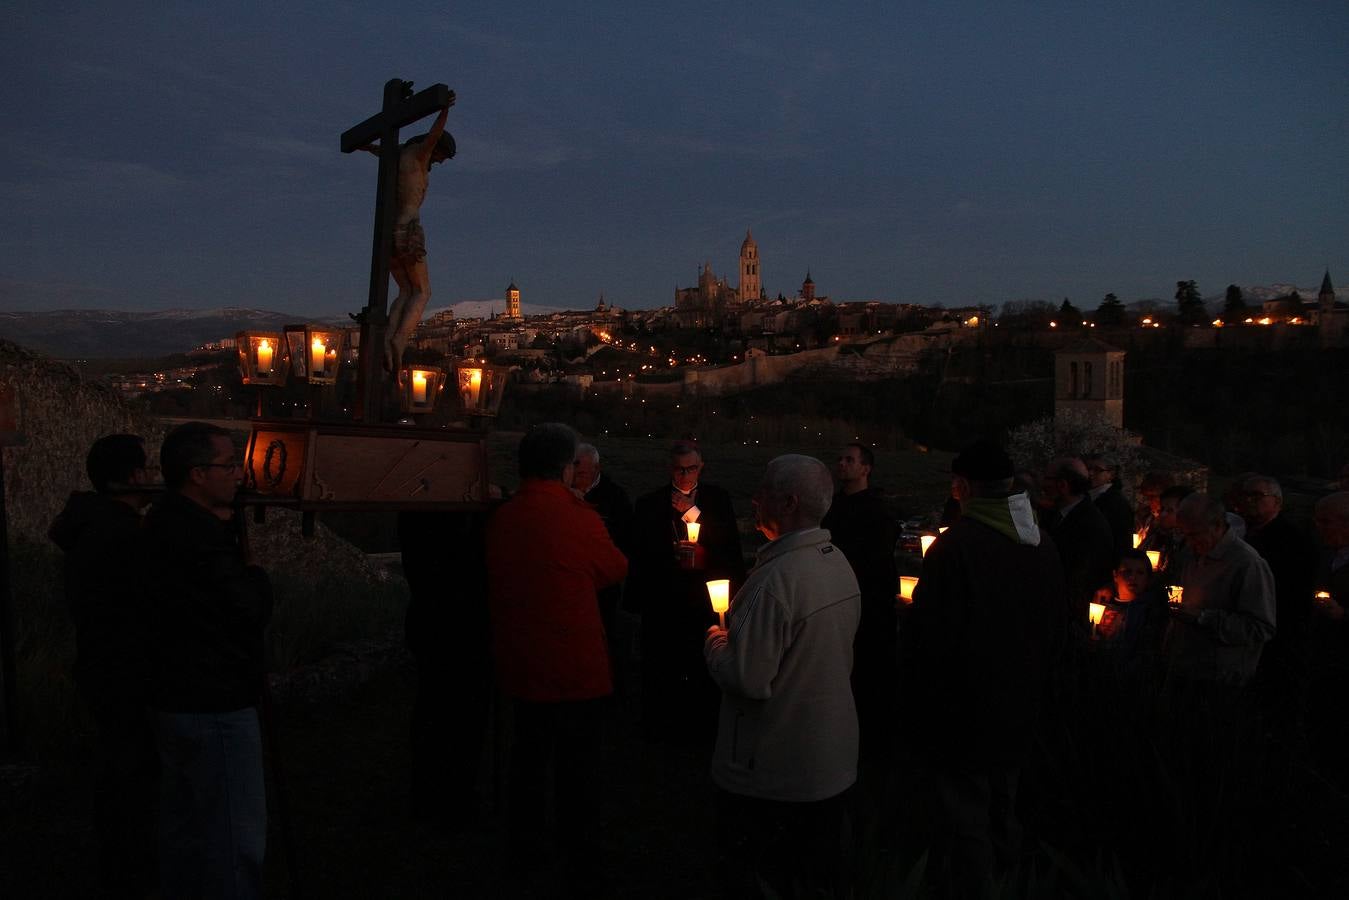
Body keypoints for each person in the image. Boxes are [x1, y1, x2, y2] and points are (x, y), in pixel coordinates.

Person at [902, 440, 1066, 896]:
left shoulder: (957, 547)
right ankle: (1009, 874)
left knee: (964, 810)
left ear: (962, 488)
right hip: (1022, 698)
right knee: (1003, 798)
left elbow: (931, 635)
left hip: (966, 705)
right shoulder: (1042, 543)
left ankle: (972, 885)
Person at [703, 455, 860, 898]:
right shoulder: (837, 564)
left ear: (788, 503)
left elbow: (749, 678)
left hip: (773, 775)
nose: (755, 499)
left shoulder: (776, 582)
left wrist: (715, 643)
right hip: (828, 763)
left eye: (765, 490)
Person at [486, 423, 627, 889]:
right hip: (575, 670)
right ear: (566, 469)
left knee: (528, 763)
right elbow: (613, 568)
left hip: (522, 666)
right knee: (578, 773)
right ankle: (579, 857)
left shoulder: (502, 517)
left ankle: (523, 852)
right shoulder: (579, 518)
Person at [145, 422, 272, 899]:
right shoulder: (197, 539)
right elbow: (247, 610)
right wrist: (257, 576)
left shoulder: (164, 522)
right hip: (213, 700)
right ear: (198, 474)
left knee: (186, 830)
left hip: (174, 695)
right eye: (228, 465)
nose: (238, 475)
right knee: (233, 838)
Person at [48, 433, 158, 898]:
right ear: (135, 476)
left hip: (100, 664)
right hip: (125, 671)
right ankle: (128, 869)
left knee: (117, 768)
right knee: (130, 776)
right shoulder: (123, 537)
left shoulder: (90, 527)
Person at [628, 439, 745, 744]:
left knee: (702, 663)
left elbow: (729, 545)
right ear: (670, 468)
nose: (684, 476)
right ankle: (660, 728)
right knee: (662, 664)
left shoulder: (717, 500)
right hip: (665, 599)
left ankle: (702, 726)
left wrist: (693, 513)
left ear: (701, 467)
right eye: (679, 469)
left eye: (690, 469)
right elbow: (639, 553)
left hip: (704, 599)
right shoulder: (650, 504)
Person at [398, 509, 491, 830]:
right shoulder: (463, 518)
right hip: (464, 627)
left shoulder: (415, 510)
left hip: (430, 623)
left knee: (431, 708)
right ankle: (456, 798)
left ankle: (426, 795)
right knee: (463, 716)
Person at [359, 99, 455, 372]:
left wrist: (366, 146)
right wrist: (444, 110)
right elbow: (434, 134)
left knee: (405, 289)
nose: (440, 161)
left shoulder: (400, 155)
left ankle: (388, 337)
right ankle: (400, 339)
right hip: (408, 229)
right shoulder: (420, 155)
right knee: (423, 291)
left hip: (388, 230)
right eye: (442, 156)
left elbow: (379, 150)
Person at [820, 442, 898, 763]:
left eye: (849, 460)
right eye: (839, 459)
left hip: (866, 604)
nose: (842, 464)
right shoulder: (832, 508)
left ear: (866, 468)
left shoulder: (877, 512)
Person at [1164, 494, 1275, 689]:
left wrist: (1203, 617)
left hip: (1219, 679)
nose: (1188, 542)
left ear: (1217, 525)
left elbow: (1260, 628)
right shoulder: (1190, 554)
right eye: (1183, 533)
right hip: (1181, 668)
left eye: (1194, 534)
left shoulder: (1248, 564)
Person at [1238, 475, 1318, 741]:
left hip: (1278, 631)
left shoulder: (1293, 541)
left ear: (1278, 502)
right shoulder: (1242, 535)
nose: (1249, 501)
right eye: (1246, 495)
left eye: (1257, 496)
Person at [1039, 457, 1115, 624]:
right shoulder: (1053, 515)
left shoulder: (1090, 525)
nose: (1042, 485)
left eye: (1047, 478)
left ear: (1063, 485)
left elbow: (1080, 575)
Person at [572, 442, 634, 643]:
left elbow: (625, 540)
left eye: (582, 474)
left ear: (596, 469)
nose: (576, 479)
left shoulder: (614, 498)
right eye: (574, 472)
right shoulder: (566, 492)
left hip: (603, 582)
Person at [1091, 549, 1167, 676]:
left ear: (1148, 578)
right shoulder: (1099, 604)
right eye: (1127, 572)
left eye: (1140, 573)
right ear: (1115, 575)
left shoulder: (1151, 612)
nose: (1133, 577)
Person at [1084, 452, 1134, 559]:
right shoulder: (1086, 497)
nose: (1091, 473)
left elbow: (1121, 539)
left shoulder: (1116, 503)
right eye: (1088, 469)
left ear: (1111, 474)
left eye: (1097, 470)